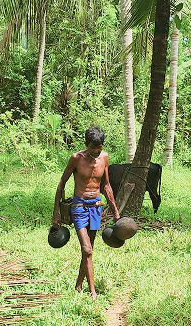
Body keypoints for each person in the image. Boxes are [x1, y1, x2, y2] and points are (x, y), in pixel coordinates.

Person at [51, 126, 120, 299]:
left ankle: (78, 286)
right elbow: (62, 183)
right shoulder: (76, 158)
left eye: (100, 147)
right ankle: (92, 291)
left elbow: (106, 186)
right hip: (79, 207)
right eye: (93, 147)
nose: (97, 151)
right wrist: (56, 213)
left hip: (96, 206)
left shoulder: (104, 158)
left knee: (88, 251)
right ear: (86, 144)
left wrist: (116, 213)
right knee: (87, 250)